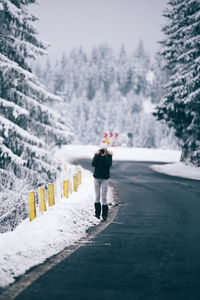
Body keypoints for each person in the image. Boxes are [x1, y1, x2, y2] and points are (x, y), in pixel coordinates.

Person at [92, 139, 113, 220]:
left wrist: (104, 156)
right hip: (96, 178)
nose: (102, 150)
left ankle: (104, 215)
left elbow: (108, 164)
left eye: (104, 149)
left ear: (106, 148)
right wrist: (97, 155)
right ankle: (97, 214)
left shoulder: (109, 155)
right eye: (101, 149)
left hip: (105, 179)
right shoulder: (97, 154)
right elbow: (93, 164)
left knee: (104, 197)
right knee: (97, 196)